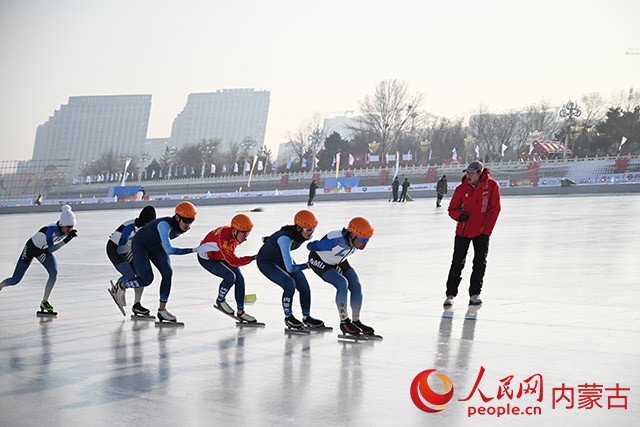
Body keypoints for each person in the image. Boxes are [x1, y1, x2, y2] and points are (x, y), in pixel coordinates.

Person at [109, 201, 199, 323]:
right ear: (177, 218)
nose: (189, 225)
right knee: (146, 279)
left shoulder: (181, 226)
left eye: (192, 221)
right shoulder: (164, 225)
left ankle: (162, 311)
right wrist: (194, 250)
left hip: (154, 245)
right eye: (186, 221)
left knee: (167, 273)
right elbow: (169, 250)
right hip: (138, 245)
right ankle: (121, 286)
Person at [0, 205, 78, 314]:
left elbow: (48, 249)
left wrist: (67, 238)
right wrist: (66, 241)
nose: (70, 229)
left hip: (43, 250)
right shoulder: (51, 230)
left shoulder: (65, 231)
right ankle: (1, 285)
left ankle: (45, 301)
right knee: (15, 280)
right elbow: (51, 249)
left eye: (72, 226)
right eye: (68, 227)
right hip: (31, 248)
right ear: (62, 225)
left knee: (54, 273)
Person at [444, 161, 501, 307]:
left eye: (471, 173)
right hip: (463, 231)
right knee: (457, 262)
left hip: (481, 232)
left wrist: (486, 230)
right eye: (467, 172)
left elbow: (495, 209)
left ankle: (475, 294)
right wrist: (459, 216)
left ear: (480, 173)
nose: (468, 175)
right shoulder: (461, 189)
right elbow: (452, 209)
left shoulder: (492, 186)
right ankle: (450, 294)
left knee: (479, 263)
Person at [307, 217, 377, 336]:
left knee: (355, 284)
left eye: (367, 240)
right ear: (352, 235)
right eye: (362, 239)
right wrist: (325, 244)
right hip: (319, 261)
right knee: (342, 283)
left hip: (338, 260)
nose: (365, 243)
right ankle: (344, 322)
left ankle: (356, 321)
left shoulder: (354, 242)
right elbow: (310, 247)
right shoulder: (335, 240)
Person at [256, 209, 325, 329]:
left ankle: (306, 317)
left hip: (280, 258)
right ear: (298, 228)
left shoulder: (301, 233)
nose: (311, 233)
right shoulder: (285, 238)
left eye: (313, 229)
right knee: (289, 284)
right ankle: (289, 318)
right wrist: (307, 265)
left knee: (304, 286)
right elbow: (291, 268)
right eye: (308, 230)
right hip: (266, 262)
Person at [198, 214, 258, 323]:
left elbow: (230, 256)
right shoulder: (224, 239)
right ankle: (220, 300)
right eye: (244, 233)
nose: (246, 237)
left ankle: (241, 312)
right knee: (230, 276)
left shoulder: (235, 233)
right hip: (208, 258)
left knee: (240, 279)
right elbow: (233, 261)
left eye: (248, 233)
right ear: (235, 230)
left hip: (221, 255)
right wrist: (252, 258)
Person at [106, 205, 157, 316]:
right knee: (129, 275)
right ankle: (118, 287)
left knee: (141, 274)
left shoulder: (147, 228)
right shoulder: (129, 226)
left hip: (130, 249)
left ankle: (137, 305)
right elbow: (120, 248)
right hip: (115, 249)